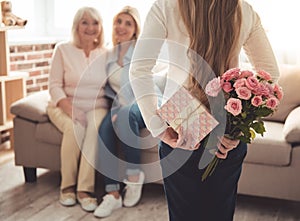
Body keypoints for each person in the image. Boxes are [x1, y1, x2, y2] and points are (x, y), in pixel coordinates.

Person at [129, 0, 280, 221]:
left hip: (181, 124)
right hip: (228, 127)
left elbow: (139, 68)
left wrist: (158, 128)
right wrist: (236, 130)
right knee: (220, 213)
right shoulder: (243, 10)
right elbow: (270, 75)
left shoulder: (166, 6)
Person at [47, 7, 109, 212]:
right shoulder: (62, 49)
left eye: (95, 23)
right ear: (76, 26)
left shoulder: (107, 54)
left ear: (100, 27)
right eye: (85, 22)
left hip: (96, 106)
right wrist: (72, 110)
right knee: (76, 129)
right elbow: (54, 85)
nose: (90, 28)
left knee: (93, 130)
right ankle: (67, 187)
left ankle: (85, 190)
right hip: (63, 104)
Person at [93, 6, 146, 218]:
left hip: (142, 106)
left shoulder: (142, 53)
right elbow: (110, 90)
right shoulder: (109, 55)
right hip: (118, 107)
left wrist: (124, 109)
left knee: (124, 117)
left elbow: (147, 88)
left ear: (135, 29)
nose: (122, 27)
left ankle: (134, 178)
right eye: (119, 21)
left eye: (128, 23)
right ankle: (112, 194)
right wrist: (116, 109)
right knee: (104, 130)